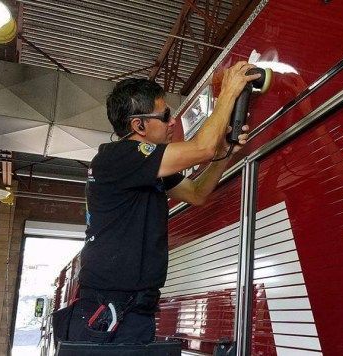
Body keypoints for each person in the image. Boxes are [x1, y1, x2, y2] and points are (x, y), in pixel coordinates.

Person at [63, 62, 261, 344]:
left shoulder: (144, 169)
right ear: (138, 125)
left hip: (133, 308)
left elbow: (196, 193)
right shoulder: (117, 157)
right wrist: (228, 92)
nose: (172, 122)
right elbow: (201, 148)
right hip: (107, 310)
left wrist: (226, 153)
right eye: (166, 115)